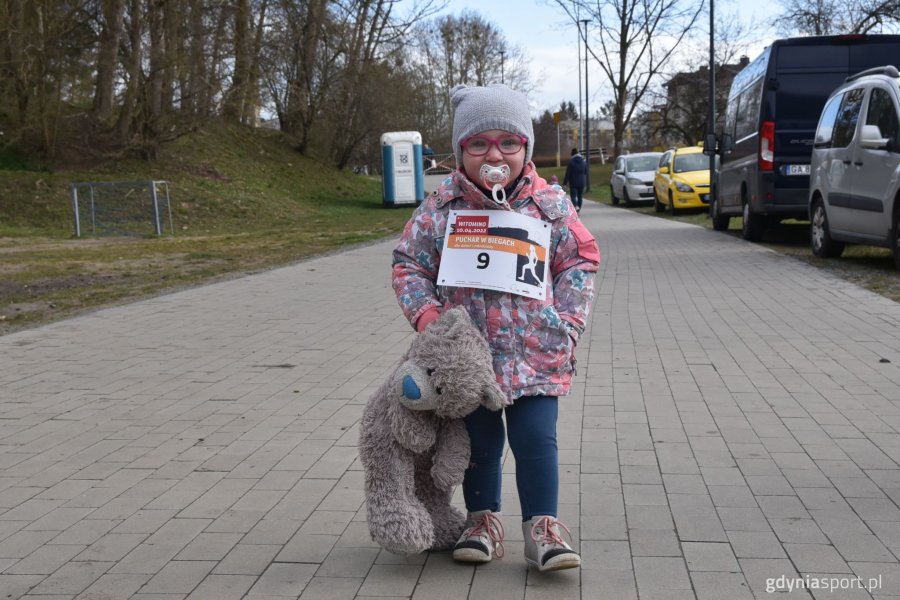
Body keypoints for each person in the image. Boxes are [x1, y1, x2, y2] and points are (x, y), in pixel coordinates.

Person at [392, 83, 600, 572]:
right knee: (479, 445)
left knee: (535, 441)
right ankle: (482, 519)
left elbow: (580, 259)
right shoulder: (442, 210)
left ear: (525, 148)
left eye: (508, 143)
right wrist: (431, 322)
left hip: (535, 352)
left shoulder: (549, 205)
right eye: (479, 144)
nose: (495, 155)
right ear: (460, 151)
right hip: (470, 361)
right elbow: (408, 264)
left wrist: (566, 322)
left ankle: (543, 528)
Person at [563, 147, 587, 211]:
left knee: (573, 196)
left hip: (573, 182)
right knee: (580, 196)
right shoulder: (583, 162)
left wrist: (565, 183)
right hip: (582, 181)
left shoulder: (571, 162)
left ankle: (575, 206)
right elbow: (586, 172)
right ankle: (579, 207)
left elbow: (568, 173)